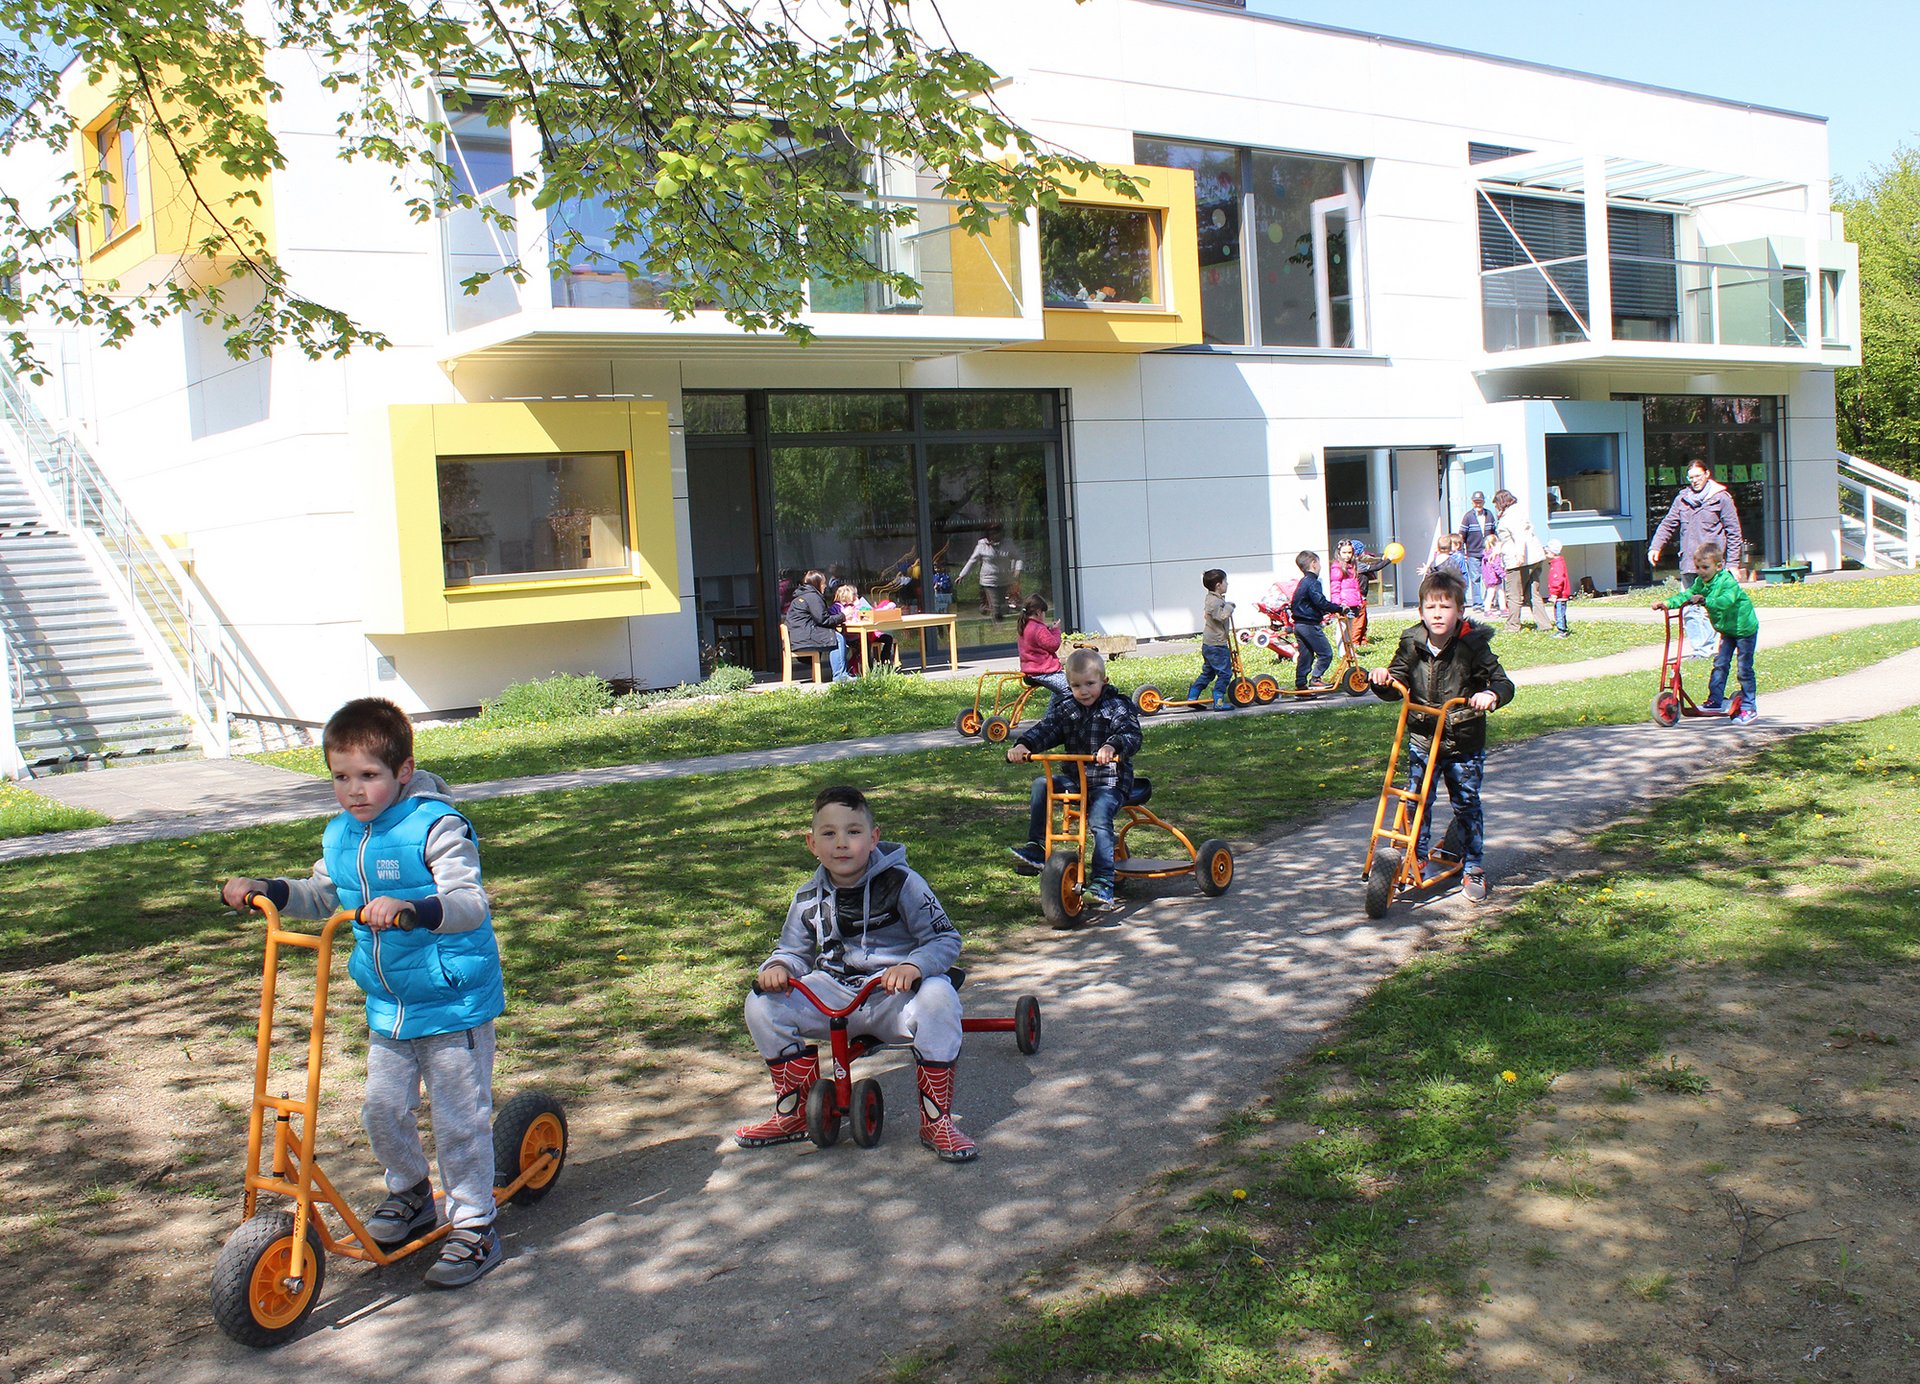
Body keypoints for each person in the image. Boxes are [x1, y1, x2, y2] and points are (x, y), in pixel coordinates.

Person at [220, 698, 507, 1288]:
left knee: (459, 1118)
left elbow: (470, 902)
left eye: (368, 776)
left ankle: (476, 1226)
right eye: (341, 778)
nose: (354, 791)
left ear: (402, 771)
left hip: (451, 1001)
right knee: (380, 1110)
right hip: (390, 1006)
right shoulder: (341, 834)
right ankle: (409, 1194)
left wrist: (415, 908)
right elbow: (325, 894)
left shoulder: (437, 825)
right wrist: (266, 888)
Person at [736, 785, 976, 1162]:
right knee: (762, 1003)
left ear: (874, 838)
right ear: (811, 843)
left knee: (938, 996)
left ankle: (937, 1120)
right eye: (829, 834)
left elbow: (944, 939)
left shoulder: (903, 883)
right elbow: (793, 952)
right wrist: (778, 967)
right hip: (835, 994)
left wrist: (913, 965)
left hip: (893, 995)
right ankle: (795, 1112)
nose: (841, 843)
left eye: (853, 831)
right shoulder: (806, 898)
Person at [1368, 568, 1515, 902]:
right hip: (1423, 735)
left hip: (1463, 741)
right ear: (1420, 612)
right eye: (1431, 607)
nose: (1437, 614)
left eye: (1445, 607)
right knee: (1415, 800)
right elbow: (1398, 681)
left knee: (1466, 804)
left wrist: (1490, 696)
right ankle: (1416, 854)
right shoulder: (1412, 642)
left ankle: (1474, 868)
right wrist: (1382, 681)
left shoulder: (1473, 646)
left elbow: (1503, 683)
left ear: (1459, 611)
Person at [1005, 647, 1144, 911]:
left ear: (1104, 680)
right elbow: (1047, 729)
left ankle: (1103, 879)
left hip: (1110, 781)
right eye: (1076, 685)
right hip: (1077, 780)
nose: (1084, 691)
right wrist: (1024, 745)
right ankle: (1037, 847)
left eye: (1090, 684)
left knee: (1099, 818)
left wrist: (1112, 746)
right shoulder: (1067, 708)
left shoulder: (1117, 706)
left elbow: (1130, 734)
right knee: (1042, 785)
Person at [1649, 460, 1745, 660]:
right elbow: (1668, 523)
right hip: (1689, 563)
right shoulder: (1683, 499)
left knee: (1711, 607)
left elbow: (1734, 532)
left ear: (1707, 474)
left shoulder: (1721, 498)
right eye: (1691, 478)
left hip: (1712, 566)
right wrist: (1656, 546)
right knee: (1688, 608)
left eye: (1698, 476)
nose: (1695, 481)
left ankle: (1712, 647)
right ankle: (1702, 650)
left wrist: (1734, 564)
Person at [1658, 541, 1759, 724]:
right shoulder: (1700, 583)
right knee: (1720, 663)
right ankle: (1715, 700)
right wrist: (1666, 603)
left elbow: (1725, 601)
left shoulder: (1727, 581)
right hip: (1727, 630)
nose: (1701, 571)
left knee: (1744, 669)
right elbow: (1686, 595)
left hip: (1744, 629)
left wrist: (1706, 600)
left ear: (1719, 566)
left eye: (1705, 567)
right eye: (1698, 567)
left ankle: (1749, 707)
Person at [1492, 488, 1546, 633]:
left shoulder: (1510, 516)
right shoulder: (1518, 511)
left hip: (1518, 561)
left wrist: (1520, 556)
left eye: (1496, 504)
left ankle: (1512, 626)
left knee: (1514, 594)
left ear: (1501, 503)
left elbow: (1518, 536)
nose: (1496, 507)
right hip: (1535, 558)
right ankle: (1544, 625)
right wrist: (1498, 548)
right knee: (1532, 592)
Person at [785, 569, 851, 682]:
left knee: (836, 637)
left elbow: (818, 617)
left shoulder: (802, 595)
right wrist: (843, 615)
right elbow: (823, 620)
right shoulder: (812, 597)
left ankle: (841, 673)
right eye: (823, 583)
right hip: (805, 638)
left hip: (798, 637)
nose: (825, 586)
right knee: (838, 638)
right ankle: (840, 676)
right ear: (816, 583)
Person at [1185, 568, 1236, 711]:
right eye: (1225, 581)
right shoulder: (1214, 602)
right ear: (1218, 585)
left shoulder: (1214, 598)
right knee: (1225, 673)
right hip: (1216, 644)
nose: (1227, 584)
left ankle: (1192, 697)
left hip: (1210, 643)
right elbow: (1221, 616)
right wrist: (1229, 607)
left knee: (1208, 672)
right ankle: (1218, 701)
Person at [1288, 550, 1339, 691]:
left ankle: (1301, 684)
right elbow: (1320, 601)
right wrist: (1339, 609)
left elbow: (1301, 603)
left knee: (1306, 656)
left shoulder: (1302, 582)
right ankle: (1316, 678)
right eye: (1319, 563)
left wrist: (1322, 611)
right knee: (1325, 653)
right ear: (1314, 564)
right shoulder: (1313, 582)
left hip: (1299, 624)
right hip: (1309, 625)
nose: (1321, 567)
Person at [1017, 593, 1069, 705]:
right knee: (1072, 688)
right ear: (1039, 612)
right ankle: (1061, 716)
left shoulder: (1025, 625)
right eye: (1044, 612)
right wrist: (1056, 630)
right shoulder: (1039, 628)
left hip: (1029, 671)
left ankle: (1051, 717)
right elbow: (1053, 645)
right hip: (1044, 671)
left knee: (1059, 692)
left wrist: (1049, 631)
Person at [956, 529, 1018, 621]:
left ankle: (990, 612)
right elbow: (972, 561)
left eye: (997, 533)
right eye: (993, 534)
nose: (995, 536)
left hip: (1003, 579)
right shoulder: (981, 546)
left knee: (1001, 605)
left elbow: (1016, 557)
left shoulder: (1006, 544)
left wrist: (1015, 571)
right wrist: (962, 575)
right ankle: (997, 626)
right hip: (988, 580)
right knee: (995, 605)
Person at [1458, 491, 1497, 610]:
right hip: (1473, 552)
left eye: (1480, 502)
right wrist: (1461, 551)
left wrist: (1496, 549)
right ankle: (1477, 603)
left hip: (1488, 553)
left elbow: (1494, 533)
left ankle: (1488, 602)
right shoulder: (1468, 517)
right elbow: (1461, 535)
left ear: (1484, 502)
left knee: (1490, 578)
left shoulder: (1489, 514)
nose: (1478, 504)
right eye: (1476, 502)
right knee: (1475, 578)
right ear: (1472, 502)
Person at [1545, 540, 1572, 638]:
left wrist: (1554, 593)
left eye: (1547, 552)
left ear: (1552, 553)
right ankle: (1562, 628)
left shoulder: (1557, 565)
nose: (1546, 554)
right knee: (1560, 611)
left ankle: (1561, 630)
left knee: (1559, 612)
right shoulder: (1558, 563)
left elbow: (1557, 580)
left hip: (1560, 595)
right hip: (1561, 594)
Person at [1481, 545, 1506, 617]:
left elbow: (1483, 569)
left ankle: (1501, 608)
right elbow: (1497, 567)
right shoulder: (1495, 556)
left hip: (1489, 578)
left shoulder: (1485, 556)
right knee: (1497, 594)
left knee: (1494, 593)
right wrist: (1503, 575)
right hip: (1495, 578)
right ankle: (1489, 610)